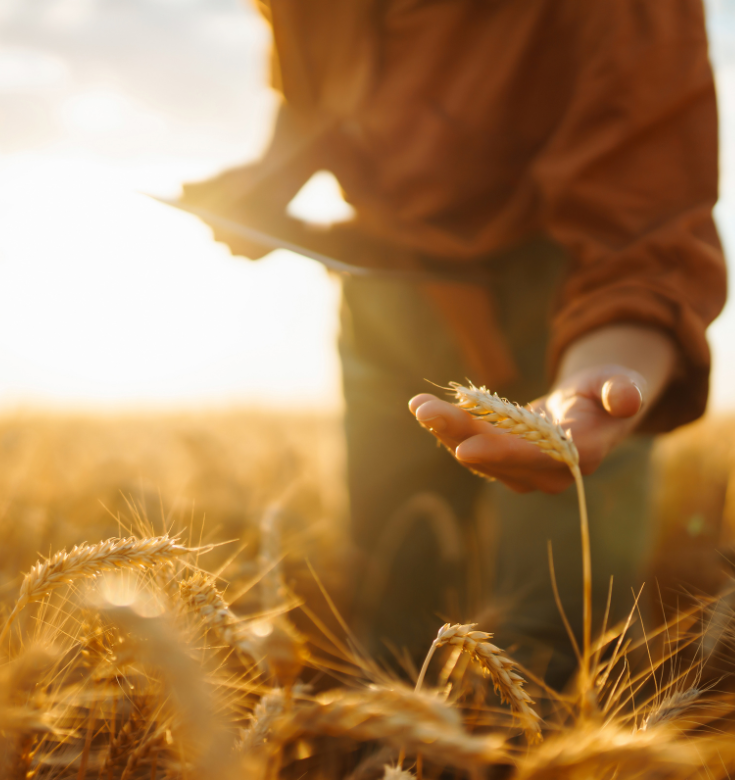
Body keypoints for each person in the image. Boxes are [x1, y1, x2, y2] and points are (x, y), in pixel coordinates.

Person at [181, 0, 726, 688]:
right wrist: (265, 185)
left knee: (554, 634)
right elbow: (314, 96)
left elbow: (647, 223)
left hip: (569, 305)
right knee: (391, 600)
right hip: (383, 289)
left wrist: (600, 373)